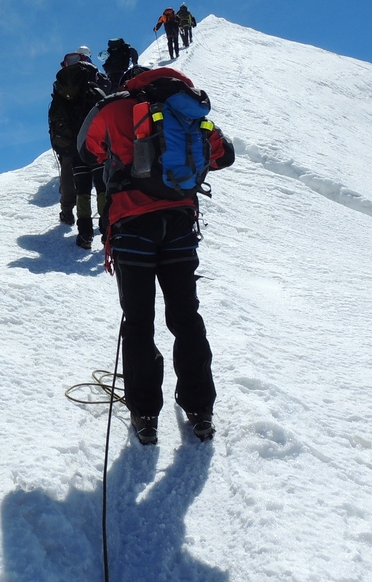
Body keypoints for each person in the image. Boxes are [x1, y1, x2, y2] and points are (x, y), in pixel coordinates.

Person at [79, 66, 234, 445]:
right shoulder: (187, 109)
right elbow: (224, 156)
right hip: (179, 223)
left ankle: (145, 413)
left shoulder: (113, 107)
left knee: (138, 321)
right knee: (186, 316)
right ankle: (200, 407)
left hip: (131, 226)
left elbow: (86, 151)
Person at [49, 51, 108, 249]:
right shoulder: (95, 91)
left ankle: (85, 235)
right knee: (102, 188)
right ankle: (106, 231)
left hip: (74, 149)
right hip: (97, 148)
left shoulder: (61, 93)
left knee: (82, 190)